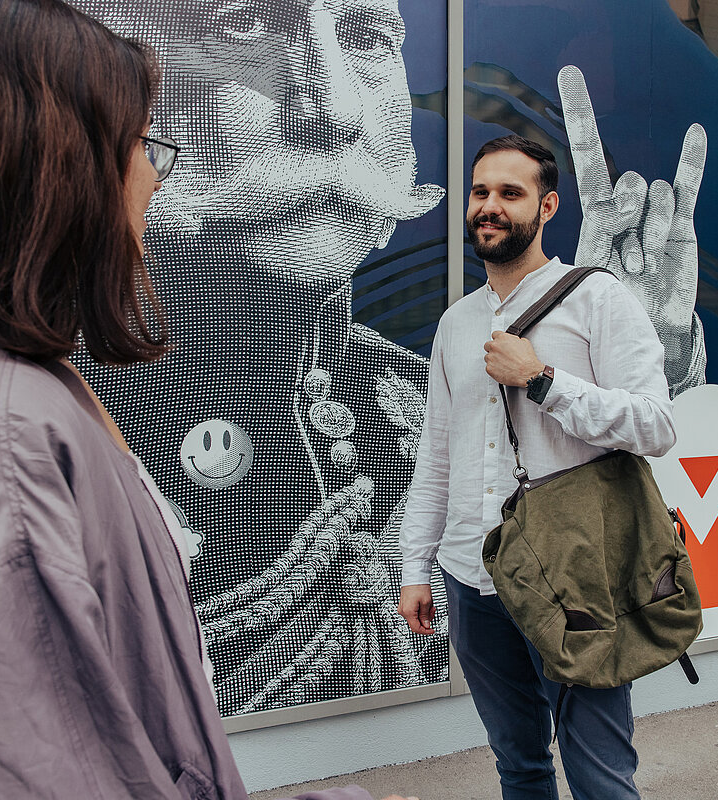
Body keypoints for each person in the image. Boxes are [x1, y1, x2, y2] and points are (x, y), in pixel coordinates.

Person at [0, 2, 416, 798]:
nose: (156, 172)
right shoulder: (0, 436)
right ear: (51, 168)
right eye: (140, 144)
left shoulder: (1, 388)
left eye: (363, 37)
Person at [62, 0, 451, 715]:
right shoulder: (72, 405)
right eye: (246, 28)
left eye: (366, 38)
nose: (334, 110)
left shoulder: (417, 390)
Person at [397, 135, 677, 800]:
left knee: (600, 775)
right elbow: (435, 457)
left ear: (547, 207)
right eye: (480, 192)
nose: (489, 207)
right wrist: (415, 567)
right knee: (518, 764)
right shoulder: (457, 325)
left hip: (573, 581)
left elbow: (657, 424)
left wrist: (545, 382)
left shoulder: (596, 301)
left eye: (510, 193)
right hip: (471, 579)